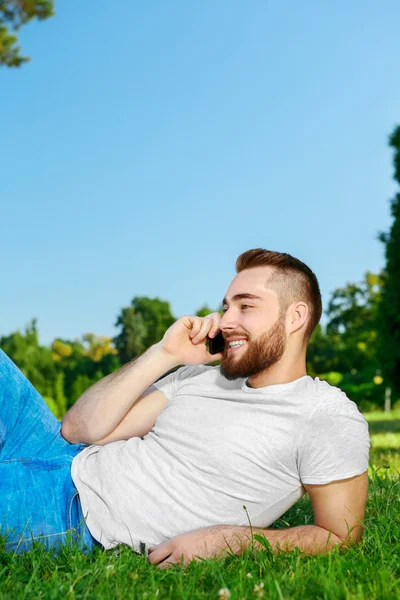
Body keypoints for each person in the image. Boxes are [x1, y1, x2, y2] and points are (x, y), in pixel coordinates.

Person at [0, 249, 369, 567]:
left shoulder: (325, 415)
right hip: (56, 449)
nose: (225, 321)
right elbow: (76, 430)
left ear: (295, 317)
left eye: (246, 306)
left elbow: (340, 534)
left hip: (71, 512)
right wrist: (167, 355)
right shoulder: (196, 376)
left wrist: (229, 540)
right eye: (226, 307)